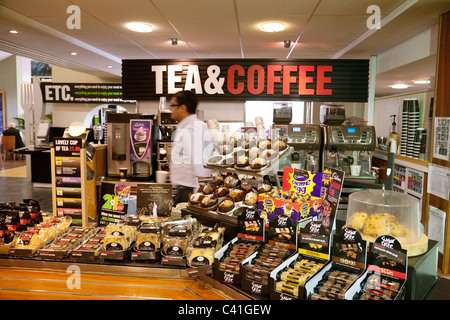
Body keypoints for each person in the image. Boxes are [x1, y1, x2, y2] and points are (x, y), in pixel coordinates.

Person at [169, 90, 213, 205]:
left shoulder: (192, 128)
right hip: (184, 189)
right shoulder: (186, 126)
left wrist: (197, 194)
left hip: (189, 191)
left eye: (173, 105)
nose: (170, 109)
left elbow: (200, 164)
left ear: (183, 108)